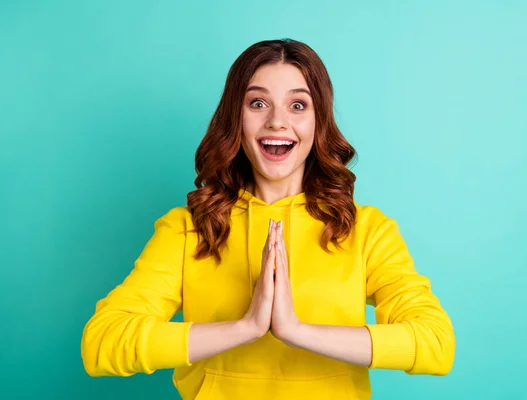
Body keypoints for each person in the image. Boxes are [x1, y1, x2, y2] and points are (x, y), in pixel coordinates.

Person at [81, 38, 455, 399]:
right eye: (258, 103)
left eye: (298, 105)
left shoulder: (367, 230)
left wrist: (296, 331)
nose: (278, 121)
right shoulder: (188, 228)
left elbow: (435, 343)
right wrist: (246, 328)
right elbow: (103, 343)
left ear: (318, 121)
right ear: (235, 118)